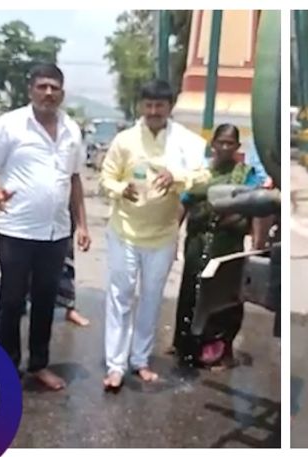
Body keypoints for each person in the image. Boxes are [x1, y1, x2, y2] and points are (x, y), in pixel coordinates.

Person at [0, 64, 91, 391]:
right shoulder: (9, 125)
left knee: (45, 301)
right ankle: (6, 366)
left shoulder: (72, 129)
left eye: (54, 87)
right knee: (12, 302)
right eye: (42, 86)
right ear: (31, 90)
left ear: (62, 93)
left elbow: (75, 179)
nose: (48, 93)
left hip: (56, 233)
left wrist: (81, 223)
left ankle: (39, 364)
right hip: (16, 230)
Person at [99, 79, 210, 390]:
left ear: (170, 106)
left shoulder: (186, 141)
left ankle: (140, 360)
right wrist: (122, 189)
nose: (153, 111)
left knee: (150, 298)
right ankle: (115, 365)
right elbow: (106, 177)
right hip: (125, 230)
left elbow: (204, 176)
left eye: (159, 106)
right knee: (120, 296)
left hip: (162, 234)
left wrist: (177, 177)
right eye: (148, 105)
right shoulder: (124, 140)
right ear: (141, 107)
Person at [173, 124, 256, 370]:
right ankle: (186, 345)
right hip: (198, 241)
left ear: (237, 147)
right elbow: (185, 203)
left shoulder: (245, 175)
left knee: (225, 297)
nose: (225, 147)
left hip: (228, 244)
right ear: (213, 144)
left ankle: (223, 351)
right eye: (221, 142)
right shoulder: (201, 175)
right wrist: (172, 236)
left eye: (230, 143)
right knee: (192, 291)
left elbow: (254, 207)